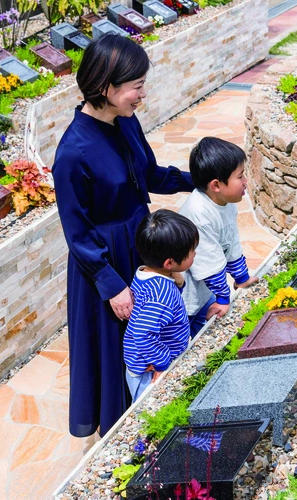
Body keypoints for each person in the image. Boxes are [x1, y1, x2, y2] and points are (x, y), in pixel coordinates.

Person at [52, 34, 194, 438]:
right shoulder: (72, 154)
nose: (142, 95)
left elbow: (147, 175)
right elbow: (76, 232)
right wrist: (112, 286)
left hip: (139, 243)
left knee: (151, 334)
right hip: (103, 262)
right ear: (105, 88)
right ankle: (123, 435)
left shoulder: (126, 122)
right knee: (115, 348)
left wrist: (196, 180)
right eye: (136, 86)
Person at [179, 137, 259, 337]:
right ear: (216, 185)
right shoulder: (199, 213)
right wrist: (223, 298)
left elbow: (231, 241)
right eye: (240, 176)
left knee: (206, 330)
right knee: (186, 343)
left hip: (205, 291)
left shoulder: (226, 201)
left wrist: (241, 277)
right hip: (186, 299)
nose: (245, 181)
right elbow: (208, 260)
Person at [123, 210, 198, 400]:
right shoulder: (160, 294)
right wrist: (162, 363)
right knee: (148, 411)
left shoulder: (145, 273)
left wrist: (178, 285)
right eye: (191, 252)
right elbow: (143, 332)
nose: (195, 254)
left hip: (146, 362)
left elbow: (162, 313)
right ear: (169, 263)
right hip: (149, 371)